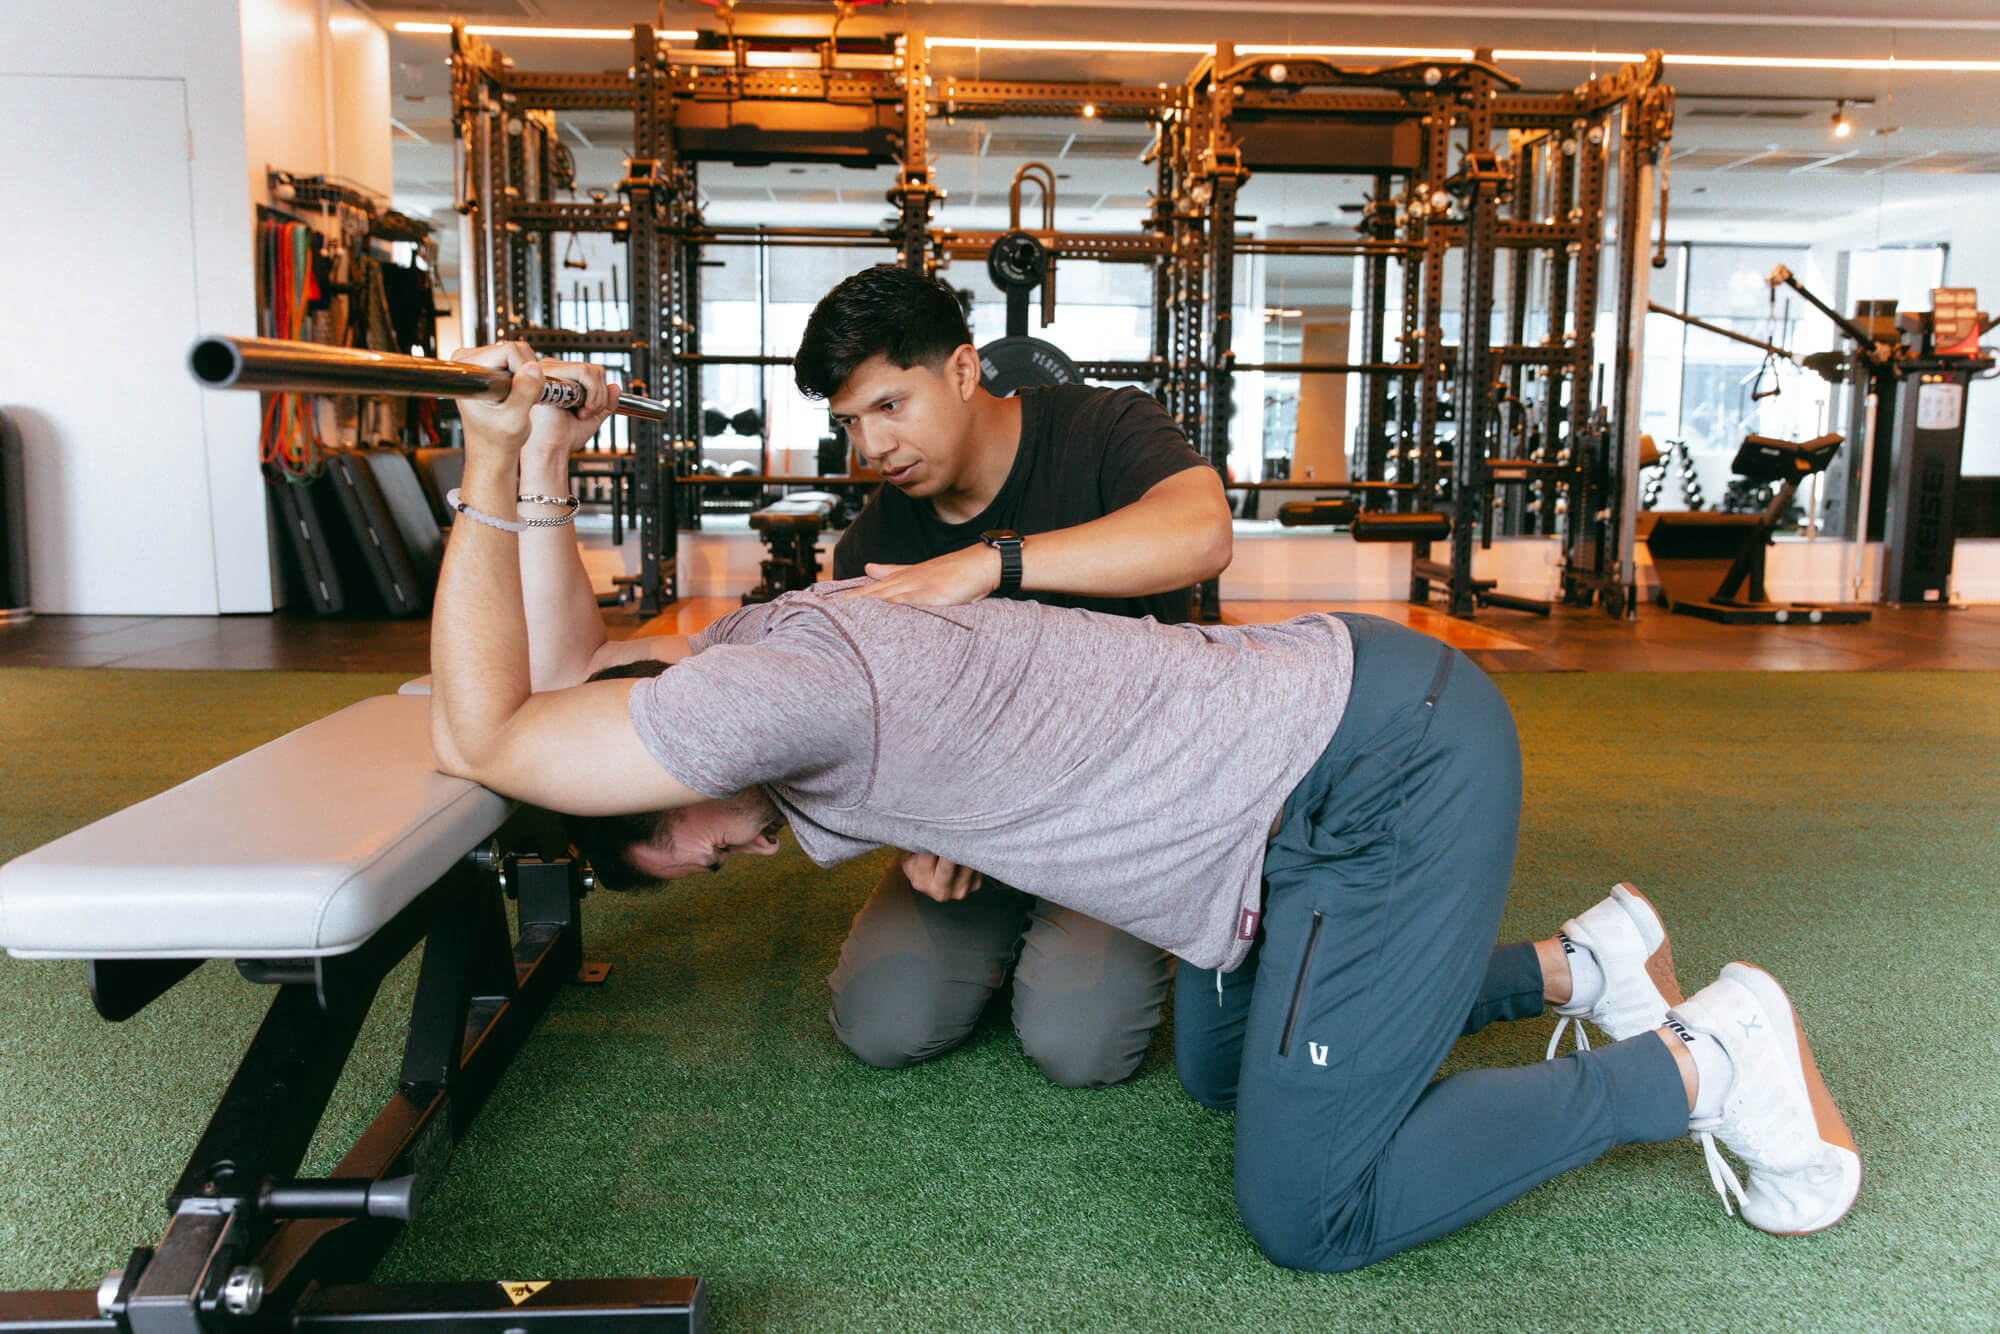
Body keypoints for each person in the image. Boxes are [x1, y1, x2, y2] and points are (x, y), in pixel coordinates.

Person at [429, 343, 1863, 1272]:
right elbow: (566, 682)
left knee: (1312, 1210)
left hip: (1378, 771)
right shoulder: (757, 652)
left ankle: (1700, 1063)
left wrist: (489, 458)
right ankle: (1579, 961)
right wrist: (548, 464)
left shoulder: (754, 703)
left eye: (688, 858)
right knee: (1218, 1065)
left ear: (658, 810)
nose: (731, 855)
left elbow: (494, 730)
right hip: (1297, 787)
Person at [519, 263, 1237, 1090]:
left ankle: (1116, 927)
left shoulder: (1104, 424)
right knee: (884, 1025)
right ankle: (1019, 929)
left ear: (963, 372)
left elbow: (1200, 533)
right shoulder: (871, 548)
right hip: (973, 817)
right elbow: (585, 675)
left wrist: (987, 565)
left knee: (1080, 1048)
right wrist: (546, 457)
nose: (873, 449)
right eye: (851, 423)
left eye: (891, 406)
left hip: (1120, 801)